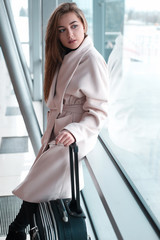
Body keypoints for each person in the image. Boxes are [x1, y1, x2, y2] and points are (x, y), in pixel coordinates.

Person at [6, 2, 108, 240]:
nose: (70, 34)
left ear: (84, 25)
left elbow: (99, 111)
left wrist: (75, 131)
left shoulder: (92, 59)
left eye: (74, 26)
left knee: (40, 176)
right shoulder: (63, 58)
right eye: (62, 30)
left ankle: (17, 227)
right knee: (40, 177)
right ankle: (19, 228)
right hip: (58, 132)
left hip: (78, 133)